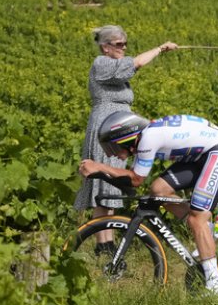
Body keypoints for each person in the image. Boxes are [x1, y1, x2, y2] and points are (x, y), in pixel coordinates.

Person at [79, 111, 218, 295]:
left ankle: (215, 286)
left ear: (127, 139)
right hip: (200, 156)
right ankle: (206, 231)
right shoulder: (147, 135)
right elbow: (133, 182)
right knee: (158, 191)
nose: (116, 156)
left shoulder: (148, 138)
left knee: (197, 220)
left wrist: (99, 167)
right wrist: (100, 172)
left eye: (115, 149)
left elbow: (135, 180)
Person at [73, 25, 178, 255]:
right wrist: (160, 48)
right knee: (103, 180)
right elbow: (136, 64)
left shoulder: (112, 67)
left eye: (125, 44)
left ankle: (107, 240)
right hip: (107, 128)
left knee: (112, 180)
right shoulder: (101, 63)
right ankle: (103, 243)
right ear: (105, 47)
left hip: (119, 128)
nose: (124, 48)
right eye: (119, 44)